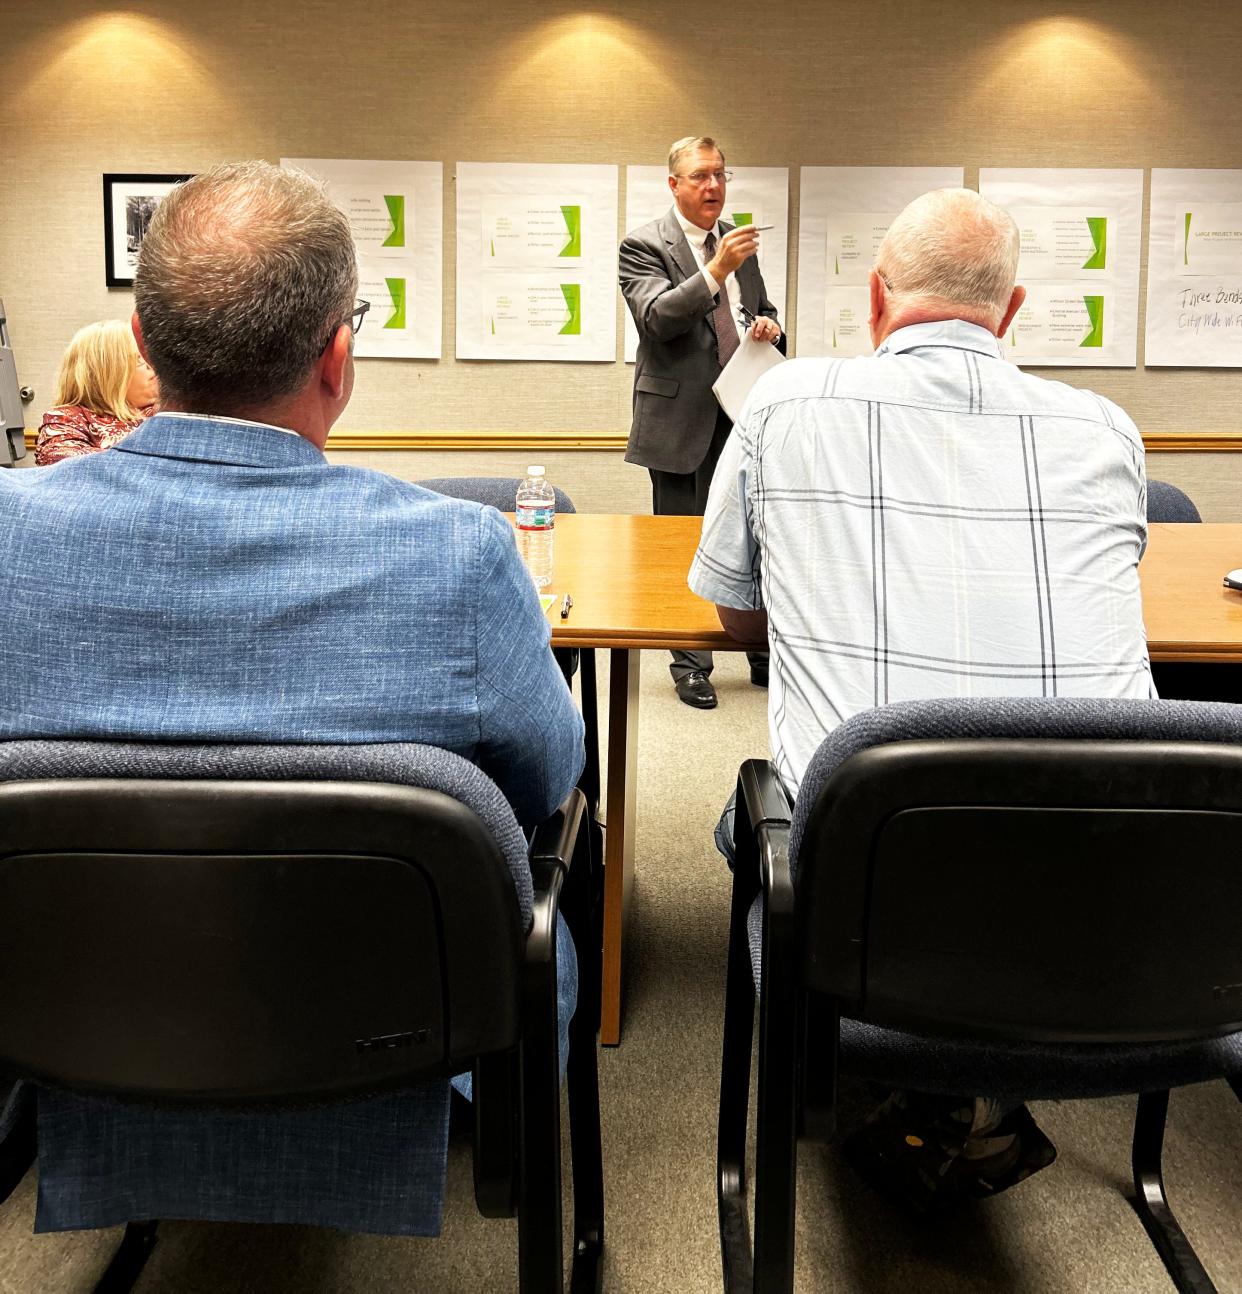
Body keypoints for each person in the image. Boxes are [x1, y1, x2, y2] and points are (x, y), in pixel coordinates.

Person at [0, 160, 584, 1238]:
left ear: (141, 346)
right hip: (382, 1018)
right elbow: (551, 775)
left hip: (72, 999)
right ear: (339, 356)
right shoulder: (457, 555)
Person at [690, 187, 1155, 1213]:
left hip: (868, 908)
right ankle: (966, 1089)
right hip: (1105, 920)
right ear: (1014, 309)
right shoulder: (1104, 429)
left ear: (873, 300)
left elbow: (728, 610)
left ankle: (912, 1082)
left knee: (753, 817)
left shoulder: (786, 402)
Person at [620, 135, 781, 709]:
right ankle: (690, 663)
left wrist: (768, 326)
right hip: (679, 419)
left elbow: (761, 310)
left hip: (744, 412)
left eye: (720, 174)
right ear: (674, 184)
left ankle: (757, 648)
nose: (713, 186)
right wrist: (716, 269)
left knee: (755, 536)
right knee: (681, 544)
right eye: (700, 176)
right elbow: (658, 319)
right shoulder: (644, 245)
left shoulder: (738, 243)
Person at [35, 319, 158, 464]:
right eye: (139, 359)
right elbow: (65, 467)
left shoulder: (166, 410)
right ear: (108, 373)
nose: (153, 366)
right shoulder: (67, 420)